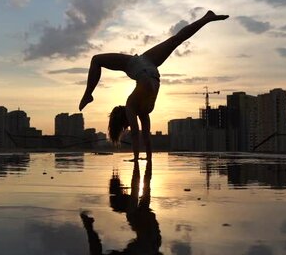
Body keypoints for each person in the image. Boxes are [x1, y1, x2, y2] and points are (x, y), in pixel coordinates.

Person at [79, 160, 232, 255]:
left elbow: (139, 184)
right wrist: (144, 162)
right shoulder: (141, 206)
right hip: (148, 249)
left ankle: (88, 224)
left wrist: (140, 164)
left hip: (146, 249)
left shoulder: (134, 209)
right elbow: (144, 181)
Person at [78, 10, 229, 160]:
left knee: (96, 60)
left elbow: (138, 134)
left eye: (125, 125)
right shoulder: (142, 109)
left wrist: (137, 159)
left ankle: (88, 94)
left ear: (123, 120)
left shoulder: (131, 106)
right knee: (176, 39)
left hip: (143, 72)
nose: (128, 126)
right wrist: (147, 159)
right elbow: (145, 136)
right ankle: (206, 19)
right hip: (148, 66)